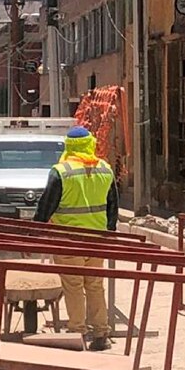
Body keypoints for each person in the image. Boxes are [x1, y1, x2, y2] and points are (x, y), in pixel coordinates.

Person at [34, 126, 118, 352]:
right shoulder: (105, 169)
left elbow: (46, 206)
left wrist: (34, 233)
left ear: (68, 146)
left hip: (68, 240)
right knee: (95, 285)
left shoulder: (61, 171)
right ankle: (101, 334)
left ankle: (77, 333)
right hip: (96, 239)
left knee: (73, 286)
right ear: (90, 144)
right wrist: (109, 234)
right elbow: (112, 207)